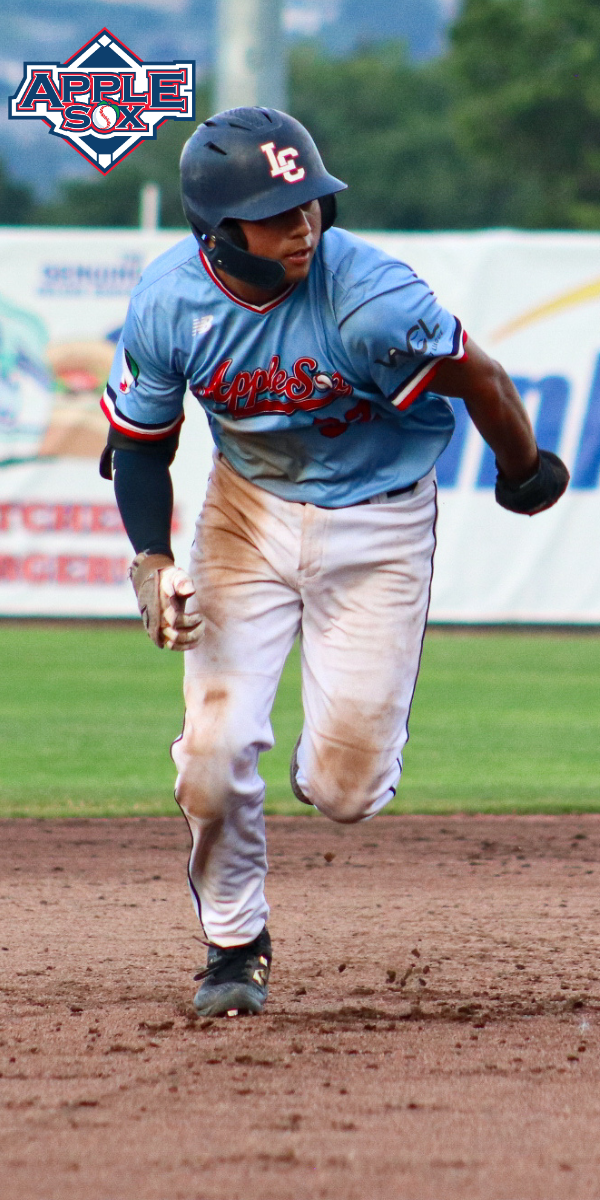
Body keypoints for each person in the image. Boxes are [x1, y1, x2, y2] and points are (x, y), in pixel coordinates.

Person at [100, 107, 569, 1018]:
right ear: (217, 233)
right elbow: (141, 444)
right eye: (275, 215)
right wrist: (151, 560)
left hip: (380, 524)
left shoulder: (371, 299)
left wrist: (524, 469)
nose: (302, 224)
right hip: (247, 514)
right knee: (213, 753)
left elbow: (481, 376)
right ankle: (235, 945)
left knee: (346, 792)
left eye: (309, 202)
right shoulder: (169, 301)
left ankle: (321, 778)